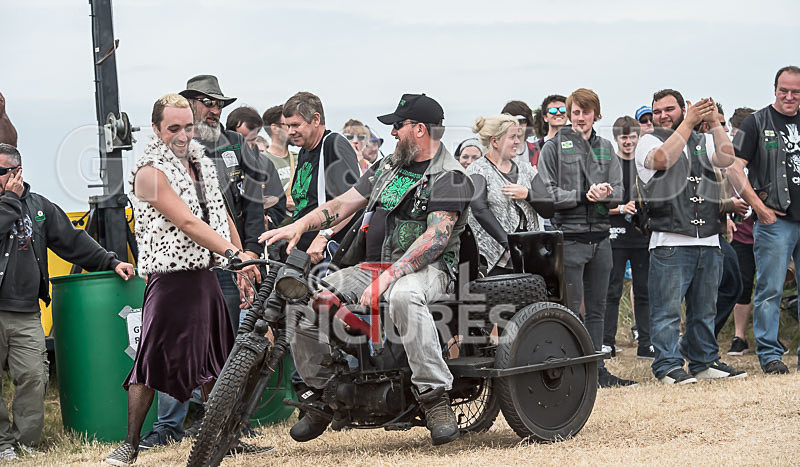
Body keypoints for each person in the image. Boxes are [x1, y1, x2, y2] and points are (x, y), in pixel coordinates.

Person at [261, 93, 473, 446]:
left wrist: (390, 276)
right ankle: (325, 392)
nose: (391, 134)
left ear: (419, 130)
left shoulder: (450, 176)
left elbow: (436, 238)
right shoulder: (388, 167)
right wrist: (302, 225)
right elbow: (344, 203)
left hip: (432, 270)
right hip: (375, 266)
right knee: (303, 298)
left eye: (397, 126)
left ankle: (435, 397)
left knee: (404, 296)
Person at [103, 94, 266, 465]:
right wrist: (234, 256)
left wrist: (237, 263)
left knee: (216, 361)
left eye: (187, 127)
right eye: (173, 128)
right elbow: (189, 223)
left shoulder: (201, 163)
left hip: (206, 273)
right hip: (170, 279)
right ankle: (130, 443)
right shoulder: (148, 172)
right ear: (157, 128)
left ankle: (225, 436)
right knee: (150, 361)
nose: (182, 134)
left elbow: (220, 215)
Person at [0, 144, 132, 461]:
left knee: (35, 376)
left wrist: (111, 262)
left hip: (26, 311)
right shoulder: (9, 204)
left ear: (17, 172)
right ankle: (1, 444)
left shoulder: (40, 206)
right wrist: (9, 202)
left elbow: (73, 242)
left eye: (0, 171)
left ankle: (25, 443)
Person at [635, 89, 745, 385]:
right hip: (669, 241)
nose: (662, 116)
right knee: (667, 311)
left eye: (669, 109)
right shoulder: (648, 140)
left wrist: (715, 123)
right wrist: (688, 123)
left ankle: (703, 361)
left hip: (708, 239)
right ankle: (668, 365)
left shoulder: (704, 139)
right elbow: (663, 160)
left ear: (682, 108)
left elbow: (726, 158)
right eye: (658, 111)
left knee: (704, 308)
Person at [537, 88, 631, 388]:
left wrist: (606, 193)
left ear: (596, 114)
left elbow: (621, 190)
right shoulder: (553, 147)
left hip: (601, 239)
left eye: (585, 112)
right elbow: (545, 192)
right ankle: (570, 373)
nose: (579, 118)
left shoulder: (606, 147)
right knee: (569, 307)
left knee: (598, 307)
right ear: (568, 114)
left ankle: (597, 372)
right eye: (575, 112)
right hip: (570, 238)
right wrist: (583, 195)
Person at [727, 65, 800, 374]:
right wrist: (759, 208)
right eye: (784, 90)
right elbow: (733, 167)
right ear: (774, 89)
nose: (789, 96)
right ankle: (770, 355)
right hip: (776, 222)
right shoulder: (755, 122)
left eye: (795, 92)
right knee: (769, 289)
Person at [283, 91, 361, 264]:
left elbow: (354, 201)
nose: (290, 131)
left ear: (316, 119)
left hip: (328, 253)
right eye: (287, 126)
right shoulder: (304, 151)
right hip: (306, 253)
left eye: (296, 125)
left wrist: (323, 237)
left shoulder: (334, 144)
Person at [604, 116, 654, 360]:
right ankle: (606, 343)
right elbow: (599, 205)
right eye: (624, 137)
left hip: (641, 237)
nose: (628, 141)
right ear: (616, 139)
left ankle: (646, 343)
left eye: (632, 136)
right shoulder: (609, 165)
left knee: (644, 290)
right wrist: (621, 208)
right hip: (615, 236)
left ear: (638, 137)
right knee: (612, 291)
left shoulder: (644, 165)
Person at [467, 115, 539, 275]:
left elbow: (549, 207)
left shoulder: (526, 169)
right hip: (495, 259)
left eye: (518, 137)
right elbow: (479, 208)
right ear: (495, 141)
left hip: (528, 254)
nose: (517, 142)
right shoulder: (478, 169)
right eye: (512, 137)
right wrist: (508, 243)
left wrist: (528, 194)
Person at [725, 107, 758, 355]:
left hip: (765, 228)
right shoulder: (725, 157)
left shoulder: (764, 154)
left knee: (771, 284)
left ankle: (768, 338)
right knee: (742, 283)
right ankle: (739, 336)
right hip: (739, 230)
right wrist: (725, 215)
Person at [261, 105, 297, 215]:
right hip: (277, 227)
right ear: (275, 128)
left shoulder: (301, 158)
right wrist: (283, 202)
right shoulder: (261, 162)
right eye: (289, 125)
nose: (293, 130)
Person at [530, 94, 568, 167]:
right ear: (545, 118)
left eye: (563, 109)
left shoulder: (577, 144)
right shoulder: (535, 148)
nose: (558, 113)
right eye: (552, 111)